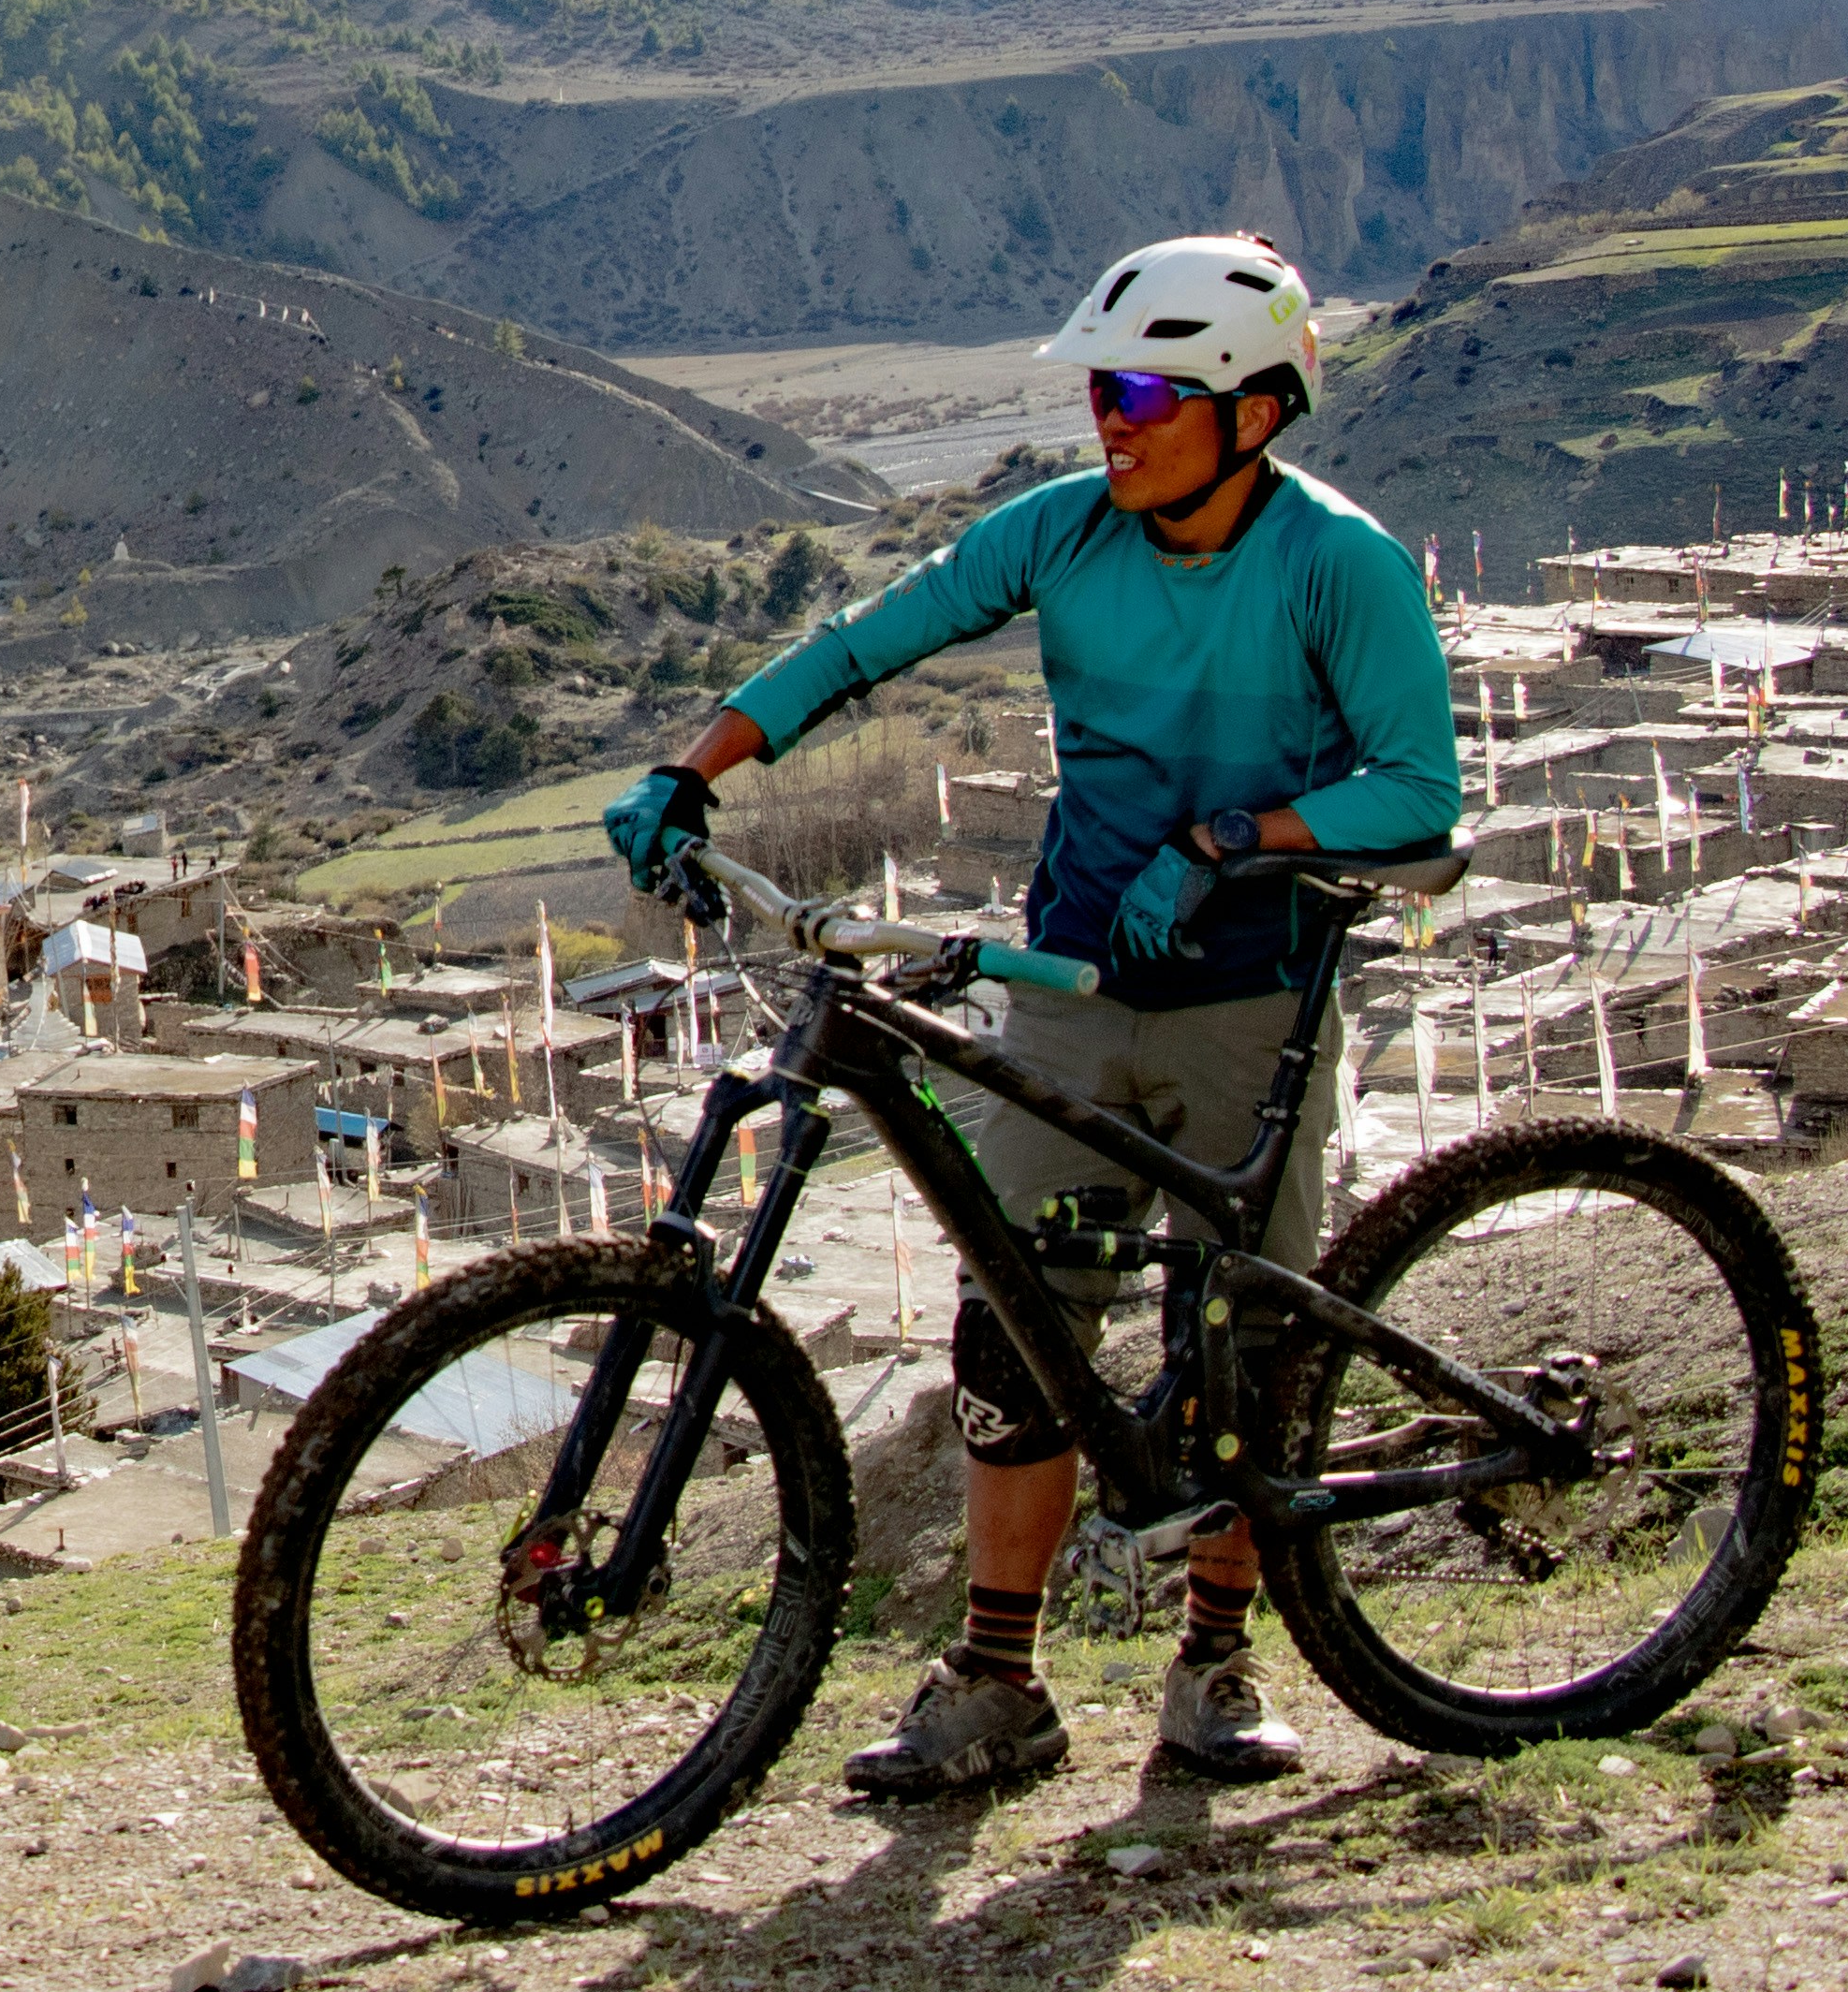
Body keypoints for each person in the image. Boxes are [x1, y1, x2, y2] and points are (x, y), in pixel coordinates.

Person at [599, 231, 1458, 1795]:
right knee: (1017, 1332)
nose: (1109, 420)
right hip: (1069, 985)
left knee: (1240, 1333)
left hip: (1250, 1000)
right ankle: (1000, 1682)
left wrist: (1227, 848)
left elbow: (1419, 792)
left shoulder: (1341, 564)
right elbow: (870, 643)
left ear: (1253, 411)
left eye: (1142, 390)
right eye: (1097, 390)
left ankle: (1217, 1664)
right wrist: (695, 770)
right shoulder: (1065, 535)